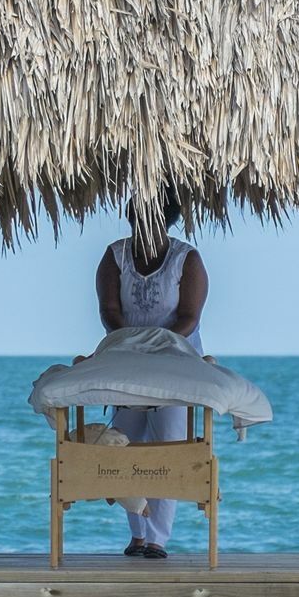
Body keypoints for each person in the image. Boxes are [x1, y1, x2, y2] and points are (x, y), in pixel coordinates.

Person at [93, 193, 208, 559]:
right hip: (127, 359)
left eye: (152, 222)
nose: (144, 229)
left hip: (175, 361)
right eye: (138, 221)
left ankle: (157, 538)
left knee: (169, 447)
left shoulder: (186, 259)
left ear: (166, 223)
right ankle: (138, 534)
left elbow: (189, 316)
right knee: (125, 445)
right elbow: (110, 310)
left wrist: (158, 348)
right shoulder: (115, 256)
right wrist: (132, 345)